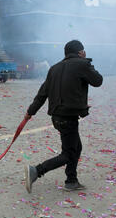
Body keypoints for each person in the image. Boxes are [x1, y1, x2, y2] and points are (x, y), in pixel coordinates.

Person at [23, 40, 103, 193]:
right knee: (68, 153)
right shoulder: (82, 64)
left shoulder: (54, 68)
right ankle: (36, 171)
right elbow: (98, 81)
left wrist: (30, 112)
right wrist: (86, 62)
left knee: (76, 147)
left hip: (57, 117)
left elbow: (42, 94)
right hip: (68, 117)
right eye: (83, 51)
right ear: (80, 52)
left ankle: (71, 180)